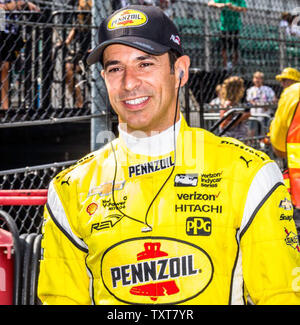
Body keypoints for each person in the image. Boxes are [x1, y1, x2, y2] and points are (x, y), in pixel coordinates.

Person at [38, 5, 300, 305]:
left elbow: (282, 296)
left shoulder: (250, 174)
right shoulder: (70, 188)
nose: (129, 82)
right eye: (115, 68)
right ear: (104, 78)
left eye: (145, 64)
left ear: (181, 71)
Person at [269, 72, 300, 232]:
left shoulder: (292, 94)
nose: (282, 84)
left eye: (285, 80)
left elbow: (279, 140)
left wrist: (279, 147)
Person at [0, 0, 40, 109]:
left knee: (6, 67)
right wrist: (10, 6)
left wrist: (26, 3)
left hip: (10, 32)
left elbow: (18, 3)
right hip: (3, 29)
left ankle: (5, 107)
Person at [56, 0, 92, 108]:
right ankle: (79, 101)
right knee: (67, 69)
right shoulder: (78, 23)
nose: (80, 10)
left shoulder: (96, 22)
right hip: (81, 54)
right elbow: (69, 39)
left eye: (82, 8)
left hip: (93, 54)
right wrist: (63, 43)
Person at [208, 0, 247, 69]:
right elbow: (210, 3)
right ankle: (225, 66)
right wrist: (222, 5)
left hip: (235, 27)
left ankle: (233, 65)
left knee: (235, 48)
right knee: (224, 48)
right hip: (224, 27)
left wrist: (233, 7)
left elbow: (244, 9)